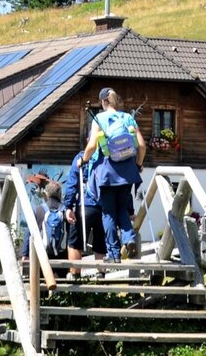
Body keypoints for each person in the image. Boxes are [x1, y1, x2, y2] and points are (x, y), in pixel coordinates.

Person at [82, 87, 146, 263]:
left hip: (106, 174)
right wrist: (138, 165)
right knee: (122, 210)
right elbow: (141, 146)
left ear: (103, 102)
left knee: (108, 214)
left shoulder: (99, 119)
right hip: (127, 174)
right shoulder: (128, 118)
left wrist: (83, 161)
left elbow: (92, 145)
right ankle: (129, 238)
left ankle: (114, 254)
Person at [64, 150, 105, 274]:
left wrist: (68, 207)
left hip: (84, 206)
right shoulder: (109, 156)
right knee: (100, 243)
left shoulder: (81, 157)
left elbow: (72, 183)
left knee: (74, 243)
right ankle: (100, 274)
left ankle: (75, 275)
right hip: (104, 208)